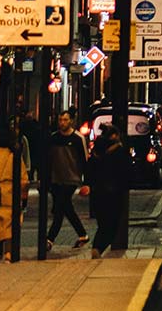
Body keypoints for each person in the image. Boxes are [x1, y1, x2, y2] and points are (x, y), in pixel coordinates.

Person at [0, 126, 29, 263]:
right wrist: (23, 197)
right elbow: (24, 180)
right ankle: (9, 254)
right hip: (11, 196)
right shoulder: (15, 158)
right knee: (11, 228)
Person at [46, 110, 90, 251]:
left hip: (71, 178)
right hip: (56, 178)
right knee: (64, 207)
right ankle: (82, 235)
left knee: (60, 206)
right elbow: (48, 159)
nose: (62, 123)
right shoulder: (54, 138)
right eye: (60, 120)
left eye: (65, 120)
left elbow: (84, 160)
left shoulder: (78, 138)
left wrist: (86, 182)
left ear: (71, 121)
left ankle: (49, 239)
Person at [86, 124, 131, 259]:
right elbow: (126, 172)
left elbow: (89, 170)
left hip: (97, 192)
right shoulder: (120, 152)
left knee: (102, 223)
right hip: (114, 193)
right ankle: (98, 248)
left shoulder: (96, 151)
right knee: (112, 225)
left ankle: (97, 247)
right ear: (115, 136)